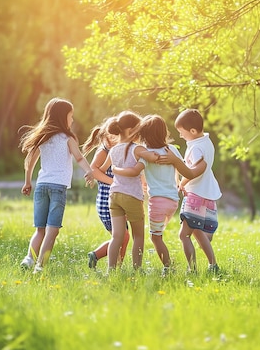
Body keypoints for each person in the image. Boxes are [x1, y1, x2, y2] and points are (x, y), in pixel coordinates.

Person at [112, 114, 206, 276]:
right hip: (173, 202)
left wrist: (118, 171)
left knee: (156, 238)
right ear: (164, 132)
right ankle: (185, 267)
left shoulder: (146, 154)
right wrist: (178, 183)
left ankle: (168, 268)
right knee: (162, 234)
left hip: (157, 203)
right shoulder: (172, 151)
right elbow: (182, 171)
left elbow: (138, 171)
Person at [18, 97, 94, 273]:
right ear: (62, 117)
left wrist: (27, 181)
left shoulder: (42, 138)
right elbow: (79, 157)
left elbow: (29, 162)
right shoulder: (67, 138)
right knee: (53, 230)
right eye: (70, 116)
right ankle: (40, 267)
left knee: (40, 230)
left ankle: (29, 258)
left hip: (42, 185)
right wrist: (89, 171)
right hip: (58, 187)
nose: (72, 119)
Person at [161, 109, 222, 273]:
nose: (180, 136)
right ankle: (213, 265)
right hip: (206, 193)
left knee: (184, 235)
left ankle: (192, 269)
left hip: (195, 195)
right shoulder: (207, 143)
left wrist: (183, 180)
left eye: (182, 132)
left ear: (193, 131)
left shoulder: (195, 148)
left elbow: (196, 170)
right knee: (196, 232)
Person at [103, 111, 158, 272]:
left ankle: (111, 270)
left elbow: (104, 168)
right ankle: (137, 269)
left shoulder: (113, 150)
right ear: (131, 130)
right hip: (131, 196)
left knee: (116, 236)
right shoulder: (137, 149)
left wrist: (115, 169)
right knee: (138, 236)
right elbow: (153, 157)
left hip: (114, 196)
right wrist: (150, 156)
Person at [81, 117, 130, 269]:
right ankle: (98, 256)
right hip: (106, 202)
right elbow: (94, 170)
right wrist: (114, 182)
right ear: (107, 136)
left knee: (124, 238)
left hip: (118, 200)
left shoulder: (119, 149)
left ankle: (116, 266)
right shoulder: (103, 151)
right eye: (115, 136)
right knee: (122, 237)